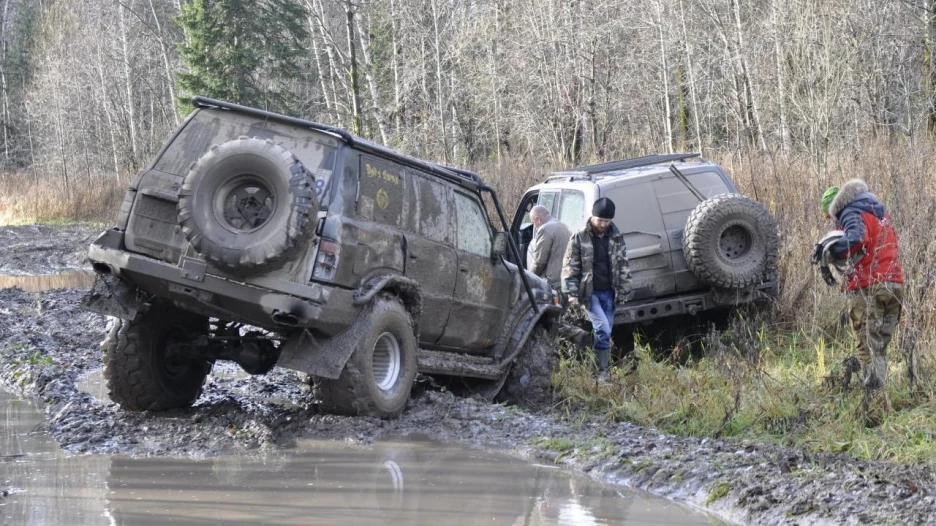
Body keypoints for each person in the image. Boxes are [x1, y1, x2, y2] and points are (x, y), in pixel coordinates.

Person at [818, 179, 904, 415]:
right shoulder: (878, 210)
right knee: (880, 347)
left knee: (867, 346)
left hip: (870, 288)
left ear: (833, 207)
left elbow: (856, 239)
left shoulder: (849, 211)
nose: (834, 222)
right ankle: (880, 399)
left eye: (830, 217)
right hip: (894, 284)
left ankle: (873, 407)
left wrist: (829, 249)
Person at [561, 197, 632, 382]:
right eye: (600, 220)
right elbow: (570, 265)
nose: (602, 224)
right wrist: (572, 293)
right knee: (603, 329)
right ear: (592, 216)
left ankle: (594, 370)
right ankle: (602, 373)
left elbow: (623, 264)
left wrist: (625, 289)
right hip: (589, 292)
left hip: (610, 291)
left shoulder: (616, 236)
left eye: (606, 221)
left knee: (605, 331)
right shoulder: (579, 237)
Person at [525, 205, 591, 349]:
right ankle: (570, 349)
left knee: (548, 321)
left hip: (553, 284)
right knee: (556, 319)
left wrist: (528, 279)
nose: (534, 225)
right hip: (568, 282)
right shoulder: (563, 227)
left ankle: (577, 336)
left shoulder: (545, 229)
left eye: (533, 222)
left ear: (537, 219)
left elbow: (539, 261)